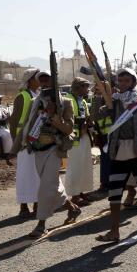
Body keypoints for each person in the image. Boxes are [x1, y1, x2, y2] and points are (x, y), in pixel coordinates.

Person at [96, 68, 137, 243]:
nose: (123, 83)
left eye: (127, 80)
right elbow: (97, 115)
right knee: (114, 192)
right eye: (120, 80)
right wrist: (102, 95)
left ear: (133, 81)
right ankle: (114, 231)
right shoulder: (115, 100)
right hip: (118, 152)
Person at [18, 87, 82, 238]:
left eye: (47, 79)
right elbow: (28, 125)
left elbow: (68, 129)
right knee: (53, 185)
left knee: (46, 187)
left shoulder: (65, 103)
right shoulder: (35, 103)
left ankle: (41, 224)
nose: (45, 83)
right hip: (38, 150)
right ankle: (72, 207)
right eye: (42, 80)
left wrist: (53, 114)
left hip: (55, 149)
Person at [10, 69, 45, 217]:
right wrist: (16, 143)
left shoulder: (40, 96)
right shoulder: (22, 97)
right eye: (36, 77)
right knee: (24, 174)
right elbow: (13, 122)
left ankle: (37, 203)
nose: (39, 80)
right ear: (30, 80)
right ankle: (23, 206)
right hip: (24, 142)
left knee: (38, 173)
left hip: (38, 141)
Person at [63, 78, 95, 205]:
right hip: (73, 139)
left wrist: (89, 123)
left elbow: (86, 118)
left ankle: (82, 192)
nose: (87, 89)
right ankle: (74, 196)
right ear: (78, 87)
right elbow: (66, 119)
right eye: (85, 87)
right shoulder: (68, 100)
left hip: (84, 137)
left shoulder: (83, 101)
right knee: (75, 168)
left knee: (85, 166)